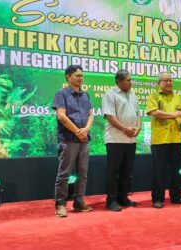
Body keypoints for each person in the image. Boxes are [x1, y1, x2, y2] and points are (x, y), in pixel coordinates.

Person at [52, 65, 94, 217]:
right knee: (64, 173)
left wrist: (86, 130)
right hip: (69, 139)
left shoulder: (86, 95)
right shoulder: (61, 93)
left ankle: (79, 202)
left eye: (82, 75)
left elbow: (91, 115)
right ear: (68, 77)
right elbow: (61, 116)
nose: (80, 78)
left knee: (83, 173)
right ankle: (60, 205)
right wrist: (77, 131)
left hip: (84, 139)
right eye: (77, 75)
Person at [146, 72, 181, 208]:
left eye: (171, 80)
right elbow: (154, 112)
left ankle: (176, 196)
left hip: (176, 138)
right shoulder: (153, 96)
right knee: (159, 171)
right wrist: (174, 114)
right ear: (159, 82)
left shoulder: (178, 97)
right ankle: (157, 199)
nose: (169, 83)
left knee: (175, 170)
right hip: (160, 139)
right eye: (166, 80)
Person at [102, 70, 141, 211]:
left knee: (127, 170)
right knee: (114, 171)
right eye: (128, 80)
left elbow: (138, 114)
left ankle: (123, 197)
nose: (131, 82)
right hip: (115, 139)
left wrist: (138, 128)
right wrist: (125, 129)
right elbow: (110, 117)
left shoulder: (133, 95)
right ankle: (111, 200)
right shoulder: (110, 95)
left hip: (131, 140)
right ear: (119, 81)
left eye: (131, 80)